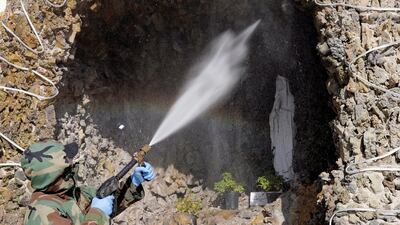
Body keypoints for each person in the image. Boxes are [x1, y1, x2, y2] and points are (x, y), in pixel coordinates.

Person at [21, 139, 155, 225]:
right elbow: (99, 215)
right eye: (67, 165)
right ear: (53, 177)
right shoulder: (42, 213)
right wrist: (98, 212)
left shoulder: (75, 193)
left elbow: (109, 205)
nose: (73, 164)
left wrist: (134, 182)